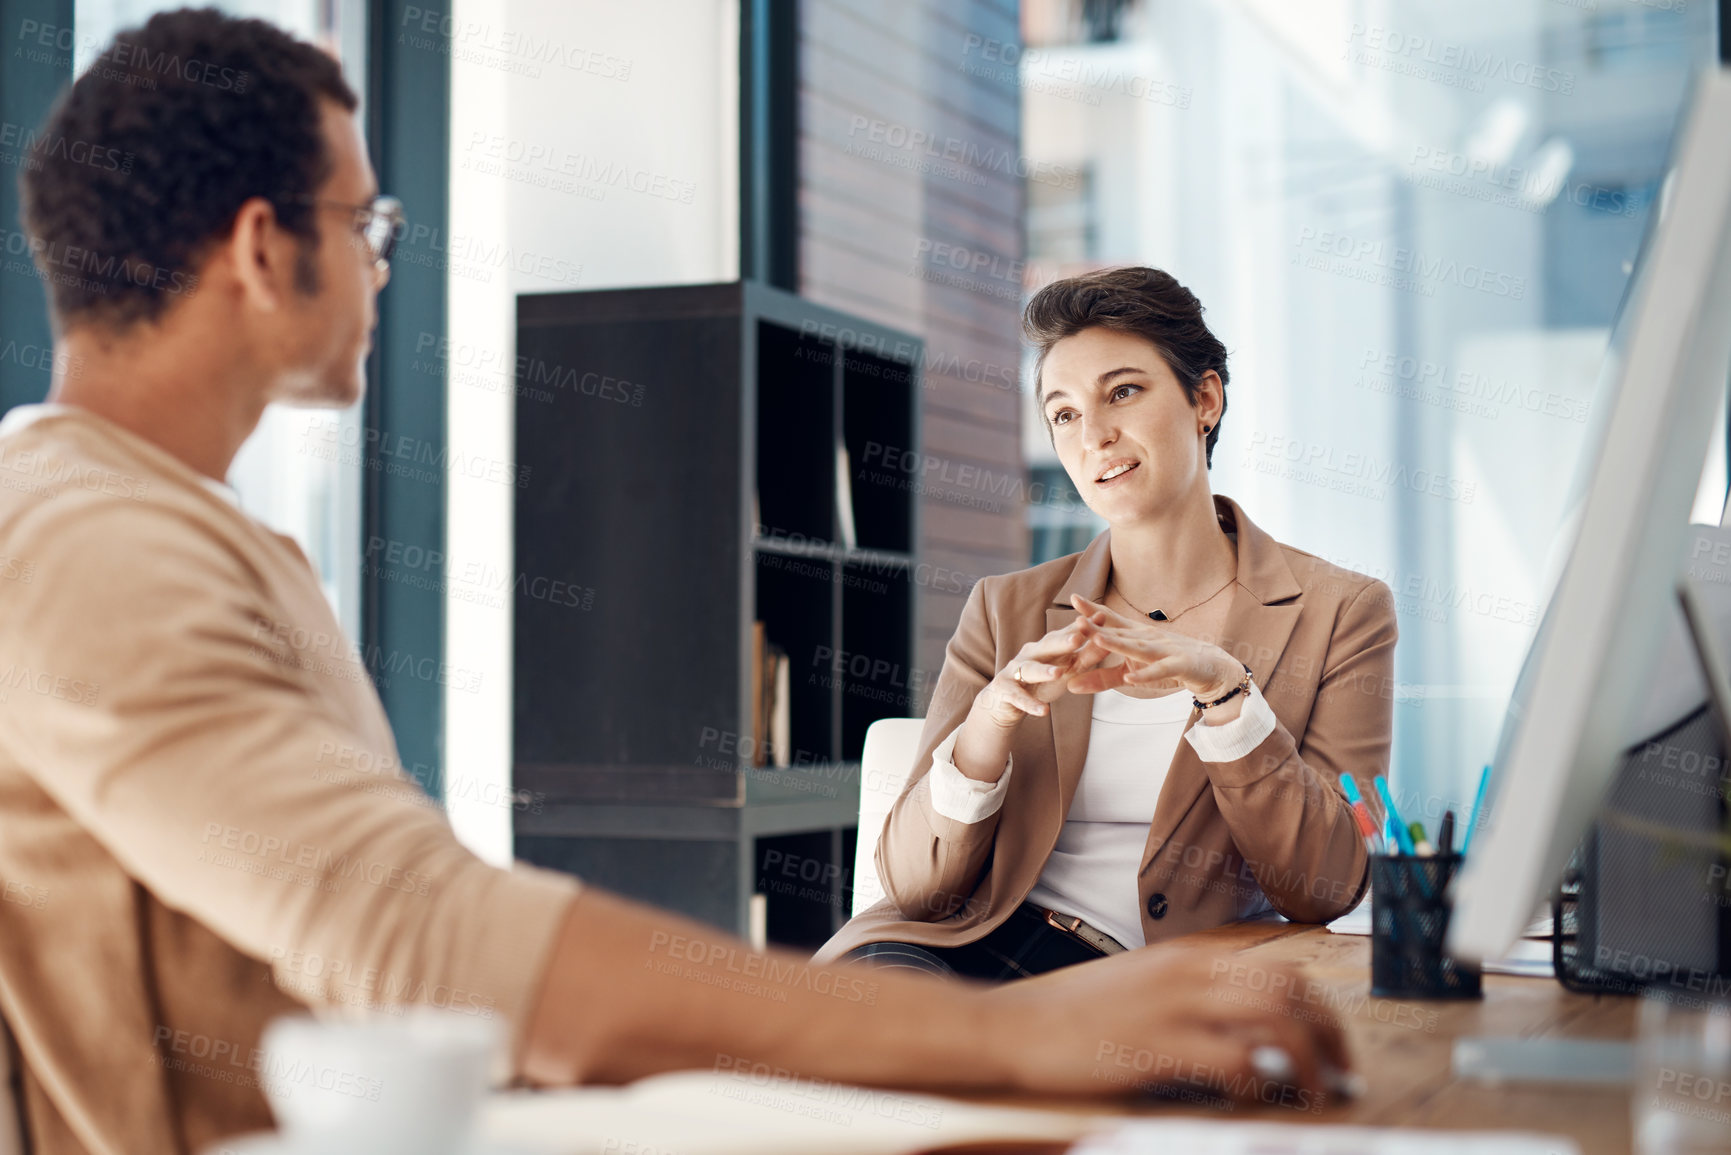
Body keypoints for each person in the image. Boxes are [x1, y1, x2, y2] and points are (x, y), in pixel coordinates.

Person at [0, 11, 1351, 1154]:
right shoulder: (82, 541)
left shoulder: (176, 528)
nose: (376, 261)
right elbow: (422, 931)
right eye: (367, 221)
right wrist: (1008, 1030)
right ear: (257, 249)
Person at [817, 266, 1396, 978]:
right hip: (952, 951)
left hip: (1143, 984)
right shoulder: (1006, 608)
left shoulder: (1340, 611)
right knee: (834, 1033)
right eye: (1063, 413)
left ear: (1204, 399)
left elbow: (1327, 884)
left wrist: (1228, 700)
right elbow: (914, 886)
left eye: (1121, 391)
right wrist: (988, 725)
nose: (1092, 434)